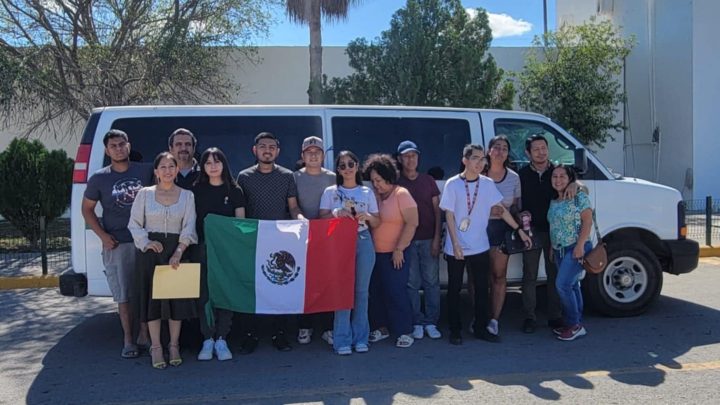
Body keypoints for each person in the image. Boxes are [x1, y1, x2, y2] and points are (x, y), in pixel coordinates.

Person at [440, 144, 530, 345]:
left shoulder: (487, 184)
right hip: (457, 246)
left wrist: (519, 230)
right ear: (465, 160)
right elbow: (449, 215)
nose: (480, 163)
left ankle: (481, 328)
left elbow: (501, 209)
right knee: (454, 289)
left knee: (482, 288)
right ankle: (455, 330)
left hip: (480, 245)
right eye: (475, 159)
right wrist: (455, 243)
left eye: (482, 159)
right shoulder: (453, 184)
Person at [81, 129, 153, 359]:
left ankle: (145, 334)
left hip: (145, 242)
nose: (119, 148)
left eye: (122, 144)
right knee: (123, 294)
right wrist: (102, 235)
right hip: (117, 243)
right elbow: (87, 209)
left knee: (145, 292)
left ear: (129, 146)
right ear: (107, 150)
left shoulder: (145, 170)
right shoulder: (99, 178)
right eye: (114, 146)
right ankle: (128, 340)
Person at [128, 152, 198, 369]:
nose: (167, 171)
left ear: (177, 170)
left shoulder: (187, 196)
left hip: (176, 250)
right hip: (151, 252)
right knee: (153, 301)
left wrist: (179, 250)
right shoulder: (144, 194)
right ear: (156, 172)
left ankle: (174, 345)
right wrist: (146, 242)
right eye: (163, 167)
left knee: (176, 299)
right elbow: (134, 224)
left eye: (171, 166)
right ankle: (156, 346)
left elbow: (189, 226)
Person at [235, 132, 303, 353]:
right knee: (252, 288)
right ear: (255, 150)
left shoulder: (286, 176)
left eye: (271, 147)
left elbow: (293, 207)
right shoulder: (244, 177)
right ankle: (250, 335)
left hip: (280, 240)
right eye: (262, 146)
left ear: (277, 151)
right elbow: (240, 210)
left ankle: (279, 334)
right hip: (254, 240)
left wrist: (301, 221)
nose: (267, 150)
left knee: (279, 287)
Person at [319, 151, 379, 355]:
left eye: (350, 164)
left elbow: (377, 221)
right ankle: (342, 339)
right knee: (341, 291)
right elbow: (321, 217)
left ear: (357, 165)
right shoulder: (330, 191)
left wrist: (368, 216)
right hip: (339, 242)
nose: (347, 168)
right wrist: (336, 213)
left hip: (362, 239)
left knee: (362, 291)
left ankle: (360, 337)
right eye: (342, 165)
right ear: (338, 170)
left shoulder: (366, 191)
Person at [519, 134, 580, 333]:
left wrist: (574, 184)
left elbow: (582, 188)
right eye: (535, 149)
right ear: (528, 153)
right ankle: (529, 316)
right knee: (529, 275)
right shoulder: (521, 174)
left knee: (555, 274)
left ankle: (555, 315)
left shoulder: (558, 172)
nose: (541, 152)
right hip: (531, 232)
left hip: (556, 233)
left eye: (543, 148)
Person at [192, 148, 246, 361]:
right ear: (203, 167)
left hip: (227, 252)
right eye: (208, 163)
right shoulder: (196, 190)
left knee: (225, 293)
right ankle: (208, 338)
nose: (213, 166)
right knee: (204, 294)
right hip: (203, 250)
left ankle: (222, 337)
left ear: (224, 163)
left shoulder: (235, 190)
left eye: (217, 161)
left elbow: (240, 222)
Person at [364, 153, 417, 349]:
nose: (375, 184)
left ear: (388, 176)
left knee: (396, 292)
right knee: (376, 292)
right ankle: (381, 327)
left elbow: (412, 223)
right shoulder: (375, 196)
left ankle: (405, 330)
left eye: (378, 180)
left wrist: (399, 249)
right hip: (374, 253)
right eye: (372, 181)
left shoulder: (401, 194)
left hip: (395, 253)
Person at [396, 140, 442, 340]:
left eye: (413, 155)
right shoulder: (397, 183)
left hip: (428, 237)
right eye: (406, 156)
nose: (410, 159)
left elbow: (437, 211)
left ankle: (431, 321)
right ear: (399, 159)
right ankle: (416, 321)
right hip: (407, 241)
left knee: (432, 282)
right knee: (412, 283)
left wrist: (437, 238)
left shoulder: (428, 181)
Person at [293, 136, 336, 346]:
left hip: (327, 237)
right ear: (303, 155)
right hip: (302, 237)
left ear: (323, 155)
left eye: (317, 152)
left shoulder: (332, 178)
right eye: (309, 152)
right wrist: (302, 220)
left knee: (327, 282)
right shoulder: (294, 177)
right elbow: (292, 205)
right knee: (305, 282)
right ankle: (305, 326)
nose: (313, 155)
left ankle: (328, 327)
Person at [547, 164, 592, 341]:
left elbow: (587, 221)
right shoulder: (554, 200)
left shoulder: (579, 196)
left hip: (575, 247)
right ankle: (574, 322)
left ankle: (574, 324)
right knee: (572, 285)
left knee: (562, 285)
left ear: (570, 178)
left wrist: (580, 246)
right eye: (554, 177)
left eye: (562, 176)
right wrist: (552, 246)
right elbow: (554, 226)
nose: (558, 180)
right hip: (559, 248)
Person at [483, 135, 521, 340]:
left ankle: (494, 320)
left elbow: (516, 206)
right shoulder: (478, 173)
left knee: (499, 275)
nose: (500, 151)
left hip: (501, 228)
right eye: (496, 147)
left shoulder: (514, 177)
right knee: (476, 277)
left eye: (504, 148)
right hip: (478, 228)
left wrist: (515, 213)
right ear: (489, 151)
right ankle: (479, 315)